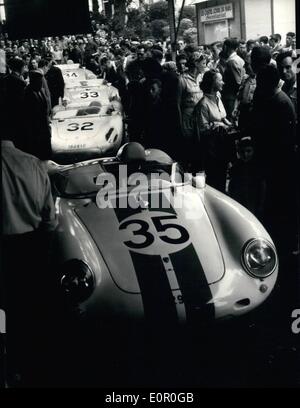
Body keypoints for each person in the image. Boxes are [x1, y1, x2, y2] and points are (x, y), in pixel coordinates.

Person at [2, 126, 57, 386]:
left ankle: (9, 364)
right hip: (30, 247)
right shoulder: (33, 163)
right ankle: (32, 367)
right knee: (29, 309)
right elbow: (50, 219)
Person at [194, 69, 234, 190]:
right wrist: (218, 125)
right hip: (212, 150)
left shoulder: (217, 97)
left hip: (222, 146)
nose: (223, 83)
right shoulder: (203, 104)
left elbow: (223, 117)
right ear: (212, 83)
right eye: (220, 80)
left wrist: (230, 125)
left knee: (222, 176)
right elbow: (203, 129)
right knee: (214, 179)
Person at [228, 137, 266, 218]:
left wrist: (261, 204)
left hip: (253, 199)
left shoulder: (257, 167)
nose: (245, 154)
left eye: (248, 151)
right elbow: (231, 185)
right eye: (242, 152)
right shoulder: (236, 167)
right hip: (239, 199)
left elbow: (262, 186)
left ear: (253, 151)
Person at [222, 38, 245, 120]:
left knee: (231, 118)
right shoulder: (238, 59)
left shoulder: (232, 61)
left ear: (226, 47)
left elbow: (238, 81)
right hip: (234, 95)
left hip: (231, 96)